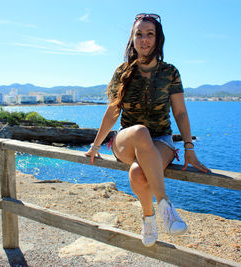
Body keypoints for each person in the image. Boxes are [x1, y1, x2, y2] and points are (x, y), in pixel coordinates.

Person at [85, 13, 210, 247]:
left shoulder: (170, 72)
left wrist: (189, 147)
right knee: (140, 131)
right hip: (127, 140)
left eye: (150, 34)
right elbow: (112, 112)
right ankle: (165, 205)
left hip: (161, 140)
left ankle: (149, 219)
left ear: (158, 39)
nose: (144, 39)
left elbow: (180, 113)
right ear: (132, 40)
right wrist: (95, 145)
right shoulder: (122, 72)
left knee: (137, 174)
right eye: (139, 34)